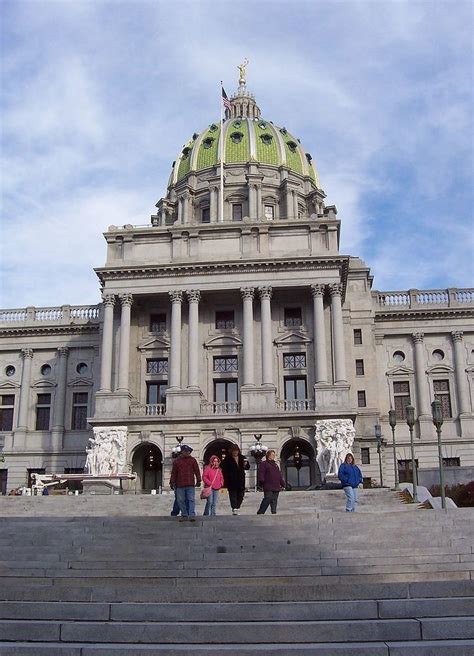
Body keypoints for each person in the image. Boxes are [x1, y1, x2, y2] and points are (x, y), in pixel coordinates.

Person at [169, 444, 201, 521]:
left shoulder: (193, 460)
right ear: (182, 452)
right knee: (180, 500)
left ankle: (192, 515)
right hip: (180, 484)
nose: (187, 453)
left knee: (191, 500)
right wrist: (172, 482)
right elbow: (174, 473)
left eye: (188, 451)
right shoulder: (177, 461)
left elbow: (197, 471)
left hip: (190, 484)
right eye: (185, 451)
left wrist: (199, 480)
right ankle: (184, 515)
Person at [221, 445, 250, 515]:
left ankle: (237, 507)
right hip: (231, 480)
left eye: (236, 451)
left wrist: (246, 465)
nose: (235, 452)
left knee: (241, 495)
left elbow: (248, 467)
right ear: (231, 451)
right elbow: (223, 468)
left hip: (240, 480)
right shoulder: (227, 459)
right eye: (234, 451)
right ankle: (234, 508)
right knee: (233, 495)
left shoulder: (242, 458)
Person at [256, 450, 285, 515]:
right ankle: (261, 512)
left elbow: (279, 475)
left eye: (274, 455)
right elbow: (261, 473)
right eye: (272, 455)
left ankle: (273, 512)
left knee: (274, 500)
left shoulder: (275, 465)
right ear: (268, 456)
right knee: (267, 498)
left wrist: (283, 484)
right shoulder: (264, 464)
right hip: (268, 485)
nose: (273, 456)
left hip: (276, 485)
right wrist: (261, 482)